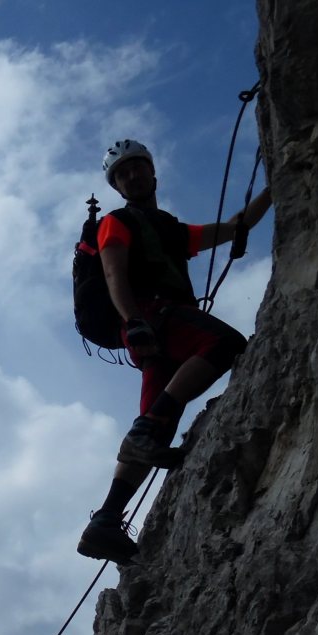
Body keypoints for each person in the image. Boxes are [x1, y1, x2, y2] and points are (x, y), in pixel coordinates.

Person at [77, 139, 272, 564]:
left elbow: (235, 227)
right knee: (225, 343)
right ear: (117, 187)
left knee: (156, 428)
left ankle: (105, 521)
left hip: (156, 329)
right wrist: (133, 320)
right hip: (153, 317)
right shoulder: (116, 222)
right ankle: (145, 430)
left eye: (136, 168)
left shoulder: (171, 230)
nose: (131, 176)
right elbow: (113, 272)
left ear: (153, 173)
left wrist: (274, 187)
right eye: (122, 174)